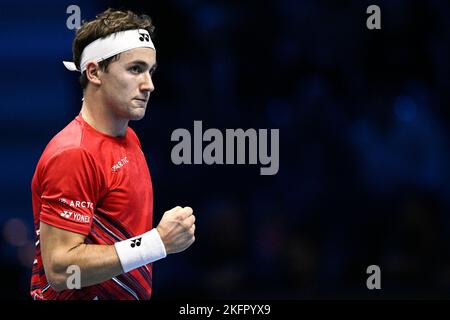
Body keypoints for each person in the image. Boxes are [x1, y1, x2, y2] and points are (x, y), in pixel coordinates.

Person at [30, 8, 196, 300]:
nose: (149, 84)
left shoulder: (129, 138)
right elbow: (59, 271)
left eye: (150, 70)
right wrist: (157, 242)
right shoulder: (74, 153)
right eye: (135, 69)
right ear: (94, 72)